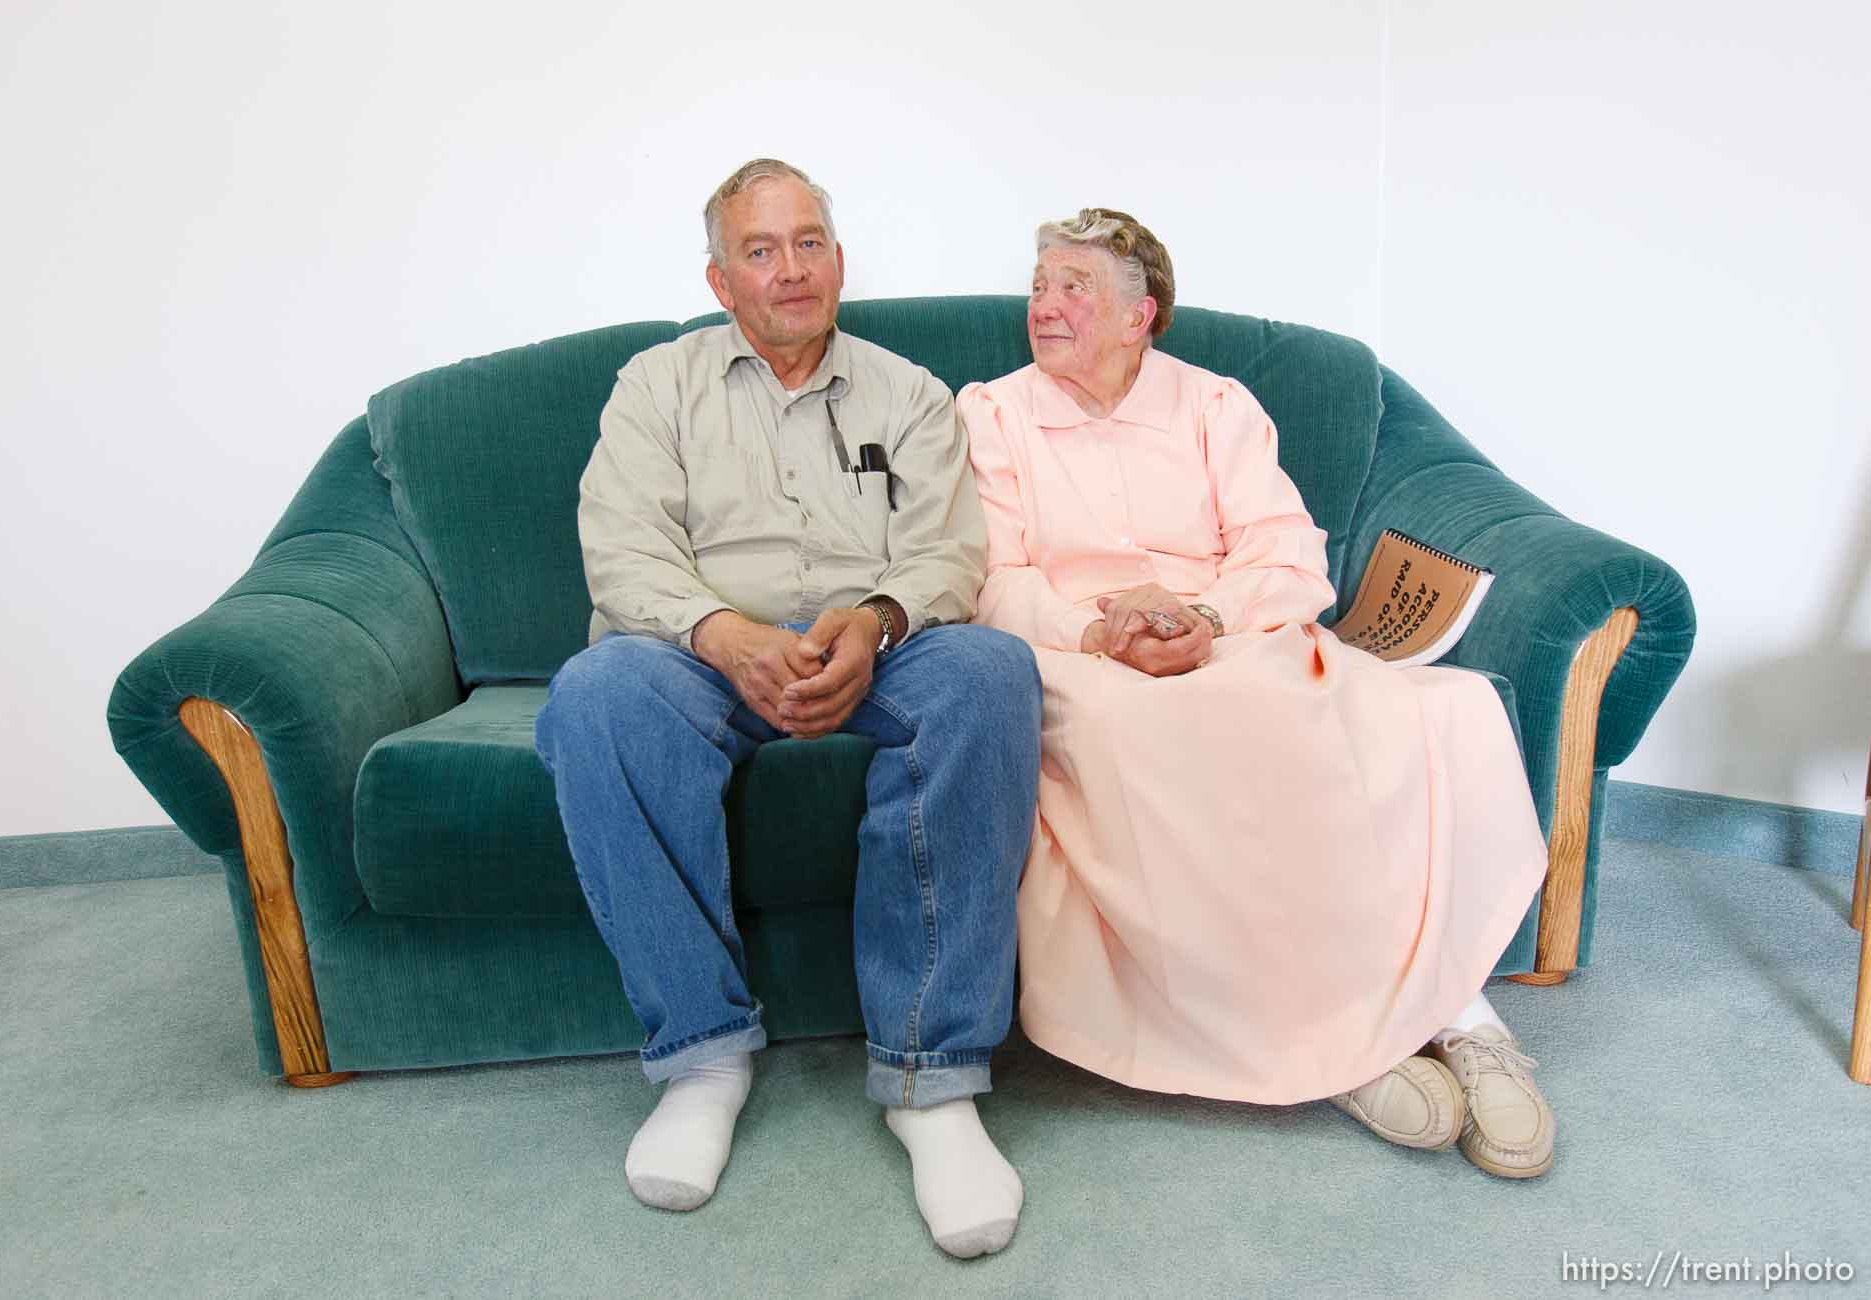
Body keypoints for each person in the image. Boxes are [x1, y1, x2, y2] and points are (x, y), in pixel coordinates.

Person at [956, 208, 1558, 1179]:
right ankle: (1334, 1046)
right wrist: (1102, 630)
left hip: (1225, 633)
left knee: (1362, 719)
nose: (1045, 304)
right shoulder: (992, 413)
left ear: (1138, 315)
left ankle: (1463, 1017)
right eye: (1038, 284)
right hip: (1080, 651)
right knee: (1141, 741)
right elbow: (995, 574)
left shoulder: (1214, 405)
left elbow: (1284, 552)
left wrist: (1202, 618)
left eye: (1074, 287)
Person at [533, 159, 1041, 1256]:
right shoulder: (652, 385)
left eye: (809, 242)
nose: (790, 268)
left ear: (841, 262)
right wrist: (724, 633)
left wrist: (872, 622)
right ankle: (704, 1057)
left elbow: (949, 551)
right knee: (595, 693)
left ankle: (931, 1081)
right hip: (704, 652)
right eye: (760, 251)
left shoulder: (907, 390)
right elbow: (622, 550)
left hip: (871, 647)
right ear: (721, 280)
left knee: (989, 671)